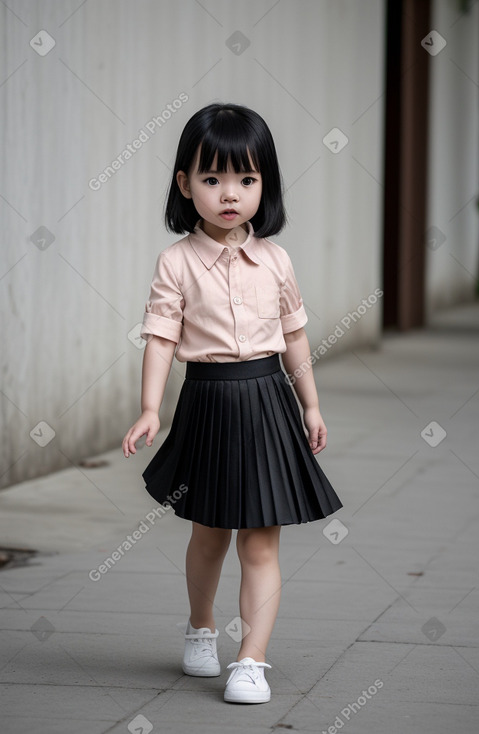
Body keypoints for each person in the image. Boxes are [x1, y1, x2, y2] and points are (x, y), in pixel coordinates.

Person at [122, 102, 343, 704]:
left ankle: (252, 660)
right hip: (209, 402)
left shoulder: (275, 260)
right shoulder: (175, 262)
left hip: (269, 399)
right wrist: (150, 408)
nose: (230, 194)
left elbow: (295, 336)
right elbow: (162, 338)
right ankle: (200, 627)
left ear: (264, 184)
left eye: (246, 179)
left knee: (262, 538)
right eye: (213, 178)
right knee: (210, 532)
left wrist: (312, 406)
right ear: (184, 184)